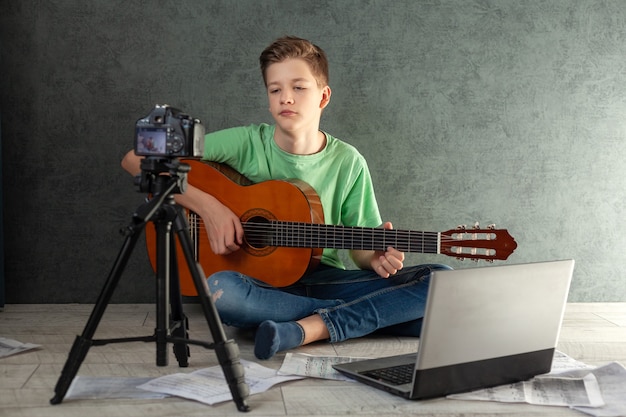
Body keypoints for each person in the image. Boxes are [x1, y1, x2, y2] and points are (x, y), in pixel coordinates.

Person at [122, 36, 451, 360]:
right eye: (275, 89)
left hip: (328, 281)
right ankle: (365, 318)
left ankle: (307, 328)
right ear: (267, 99)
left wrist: (374, 258)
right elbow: (135, 159)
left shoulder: (348, 162)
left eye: (298, 87)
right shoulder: (246, 143)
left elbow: (361, 252)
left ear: (323, 97)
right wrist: (210, 207)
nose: (286, 98)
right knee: (222, 290)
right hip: (260, 287)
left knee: (440, 277)